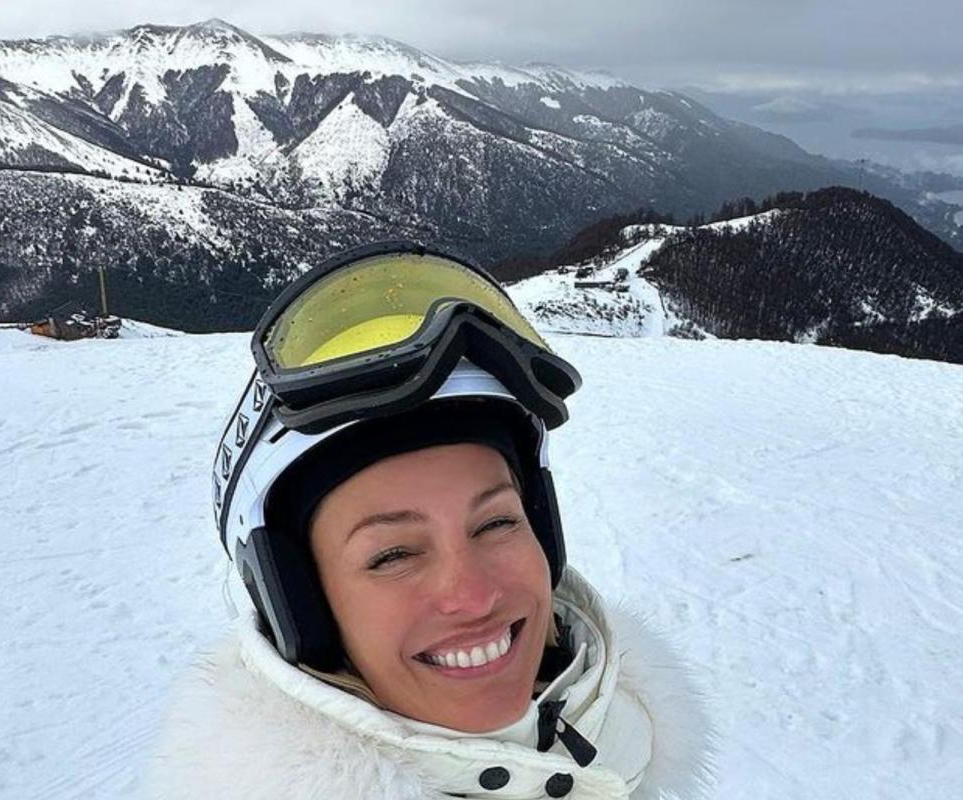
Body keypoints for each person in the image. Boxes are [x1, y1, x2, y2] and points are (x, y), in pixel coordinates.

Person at [145, 242, 714, 799]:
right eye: (393, 554)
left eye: (495, 523)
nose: (472, 595)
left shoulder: (626, 754)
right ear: (303, 606)